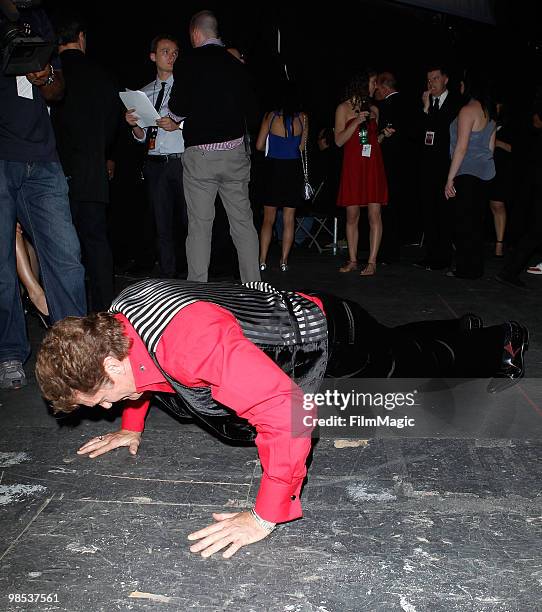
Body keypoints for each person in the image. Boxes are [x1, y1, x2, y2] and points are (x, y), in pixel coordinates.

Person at [36, 278, 529, 558]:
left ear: (109, 363)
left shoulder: (188, 344)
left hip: (329, 339)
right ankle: (463, 329)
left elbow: (286, 411)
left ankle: (497, 341)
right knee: (401, 345)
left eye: (100, 398)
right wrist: (130, 425)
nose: (102, 408)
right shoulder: (117, 321)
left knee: (413, 368)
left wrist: (264, 515)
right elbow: (141, 370)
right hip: (283, 330)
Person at [0, 4, 87, 390]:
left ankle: (75, 351)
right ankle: (9, 353)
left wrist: (46, 74)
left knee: (66, 256)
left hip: (43, 159)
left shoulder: (36, 17)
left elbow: (58, 90)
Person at [168, 10, 260, 283]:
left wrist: (174, 117)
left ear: (195, 33)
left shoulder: (188, 61)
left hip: (202, 157)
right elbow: (251, 110)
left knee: (200, 226)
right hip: (234, 154)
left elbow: (178, 108)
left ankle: (198, 291)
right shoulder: (235, 64)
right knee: (242, 223)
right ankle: (254, 287)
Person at [51, 16, 120, 312]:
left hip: (55, 169)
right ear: (81, 37)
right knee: (96, 241)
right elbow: (113, 118)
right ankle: (106, 309)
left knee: (63, 247)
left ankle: (70, 311)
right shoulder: (100, 74)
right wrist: (102, 150)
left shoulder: (51, 74)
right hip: (91, 170)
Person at [124, 34, 187, 279]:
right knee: (161, 223)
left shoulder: (185, 87)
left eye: (175, 52)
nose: (171, 56)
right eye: (165, 51)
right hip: (155, 163)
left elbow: (201, 124)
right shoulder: (143, 92)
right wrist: (134, 125)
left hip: (181, 161)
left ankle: (191, 273)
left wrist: (178, 126)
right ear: (153, 57)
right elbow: (142, 136)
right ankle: (169, 276)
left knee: (189, 221)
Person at [335, 70, 388, 276]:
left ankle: (372, 262)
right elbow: (339, 141)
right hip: (353, 167)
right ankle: (353, 259)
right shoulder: (343, 108)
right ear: (362, 83)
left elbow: (373, 142)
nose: (376, 86)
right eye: (373, 82)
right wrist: (356, 121)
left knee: (375, 214)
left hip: (372, 165)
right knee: (352, 215)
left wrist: (383, 134)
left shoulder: (374, 109)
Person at [445, 70, 496, 279]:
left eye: (463, 84)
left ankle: (465, 269)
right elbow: (491, 148)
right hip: (484, 173)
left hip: (466, 172)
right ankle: (475, 268)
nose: (460, 87)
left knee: (464, 223)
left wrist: (450, 178)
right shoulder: (489, 112)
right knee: (476, 223)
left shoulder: (467, 110)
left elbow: (461, 147)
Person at [255, 81, 308, 271]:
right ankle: (284, 260)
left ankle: (262, 259)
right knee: (289, 219)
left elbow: (259, 145)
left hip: (274, 169)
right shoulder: (303, 118)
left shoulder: (270, 117)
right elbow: (302, 147)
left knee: (268, 219)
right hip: (292, 170)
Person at [415, 65, 462, 271]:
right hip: (428, 168)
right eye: (428, 80)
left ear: (445, 79)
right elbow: (420, 134)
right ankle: (431, 255)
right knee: (429, 212)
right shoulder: (427, 104)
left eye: (435, 78)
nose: (431, 83)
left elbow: (445, 131)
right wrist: (425, 109)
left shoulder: (457, 103)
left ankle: (443, 258)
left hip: (448, 166)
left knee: (445, 213)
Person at [488, 101, 512, 258]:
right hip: (482, 168)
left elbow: (515, 149)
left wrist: (495, 142)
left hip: (501, 170)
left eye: (498, 105)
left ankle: (499, 244)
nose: (496, 107)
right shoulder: (484, 121)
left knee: (498, 205)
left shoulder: (510, 127)